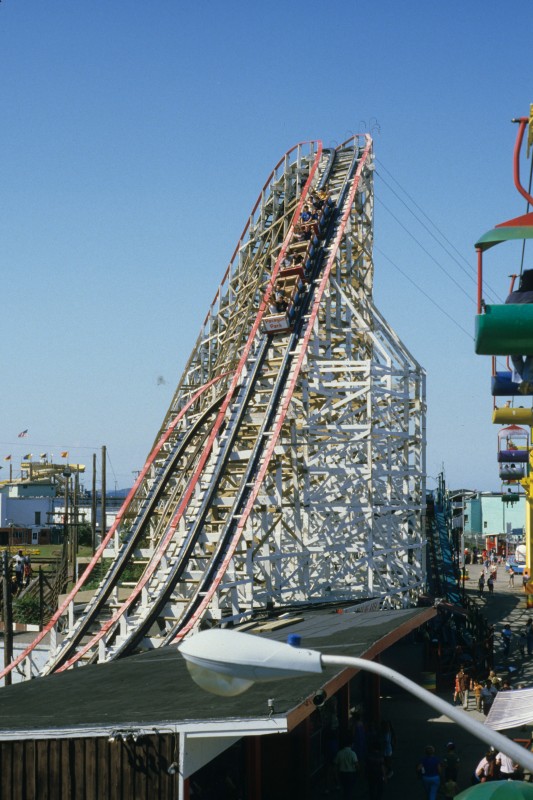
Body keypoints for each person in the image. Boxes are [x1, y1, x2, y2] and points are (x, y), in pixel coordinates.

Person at [505, 269, 533, 393]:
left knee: (516, 354)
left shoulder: (511, 297)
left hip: (512, 335)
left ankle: (523, 380)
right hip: (530, 332)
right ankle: (526, 380)